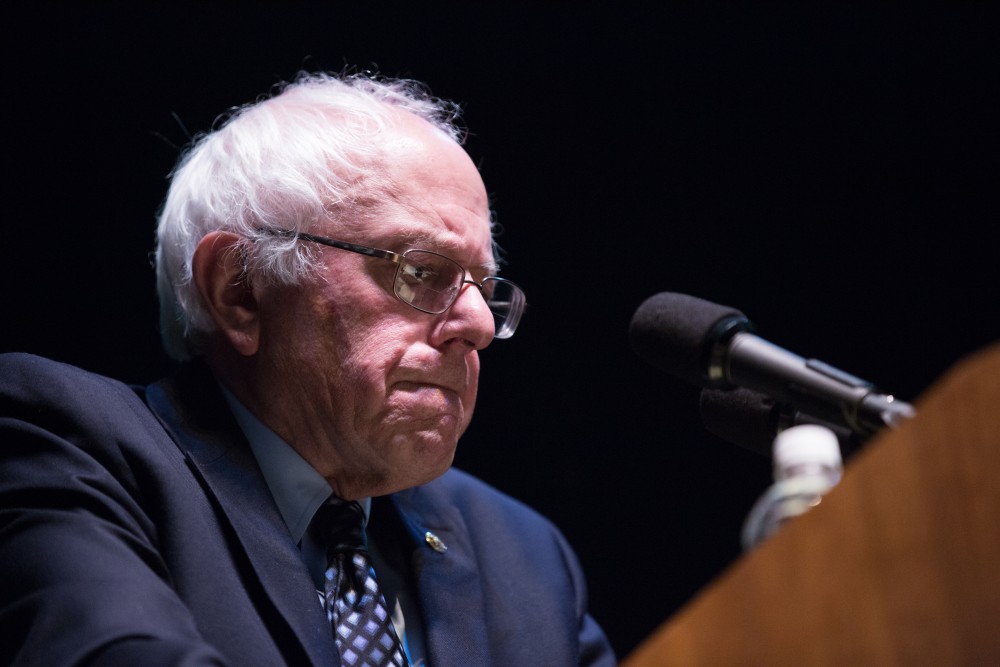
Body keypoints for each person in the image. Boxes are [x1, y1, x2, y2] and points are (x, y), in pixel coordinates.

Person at [0, 71, 616, 665]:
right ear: (240, 290)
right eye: (422, 271)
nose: (480, 325)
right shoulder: (66, 446)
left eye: (484, 286)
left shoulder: (525, 555)